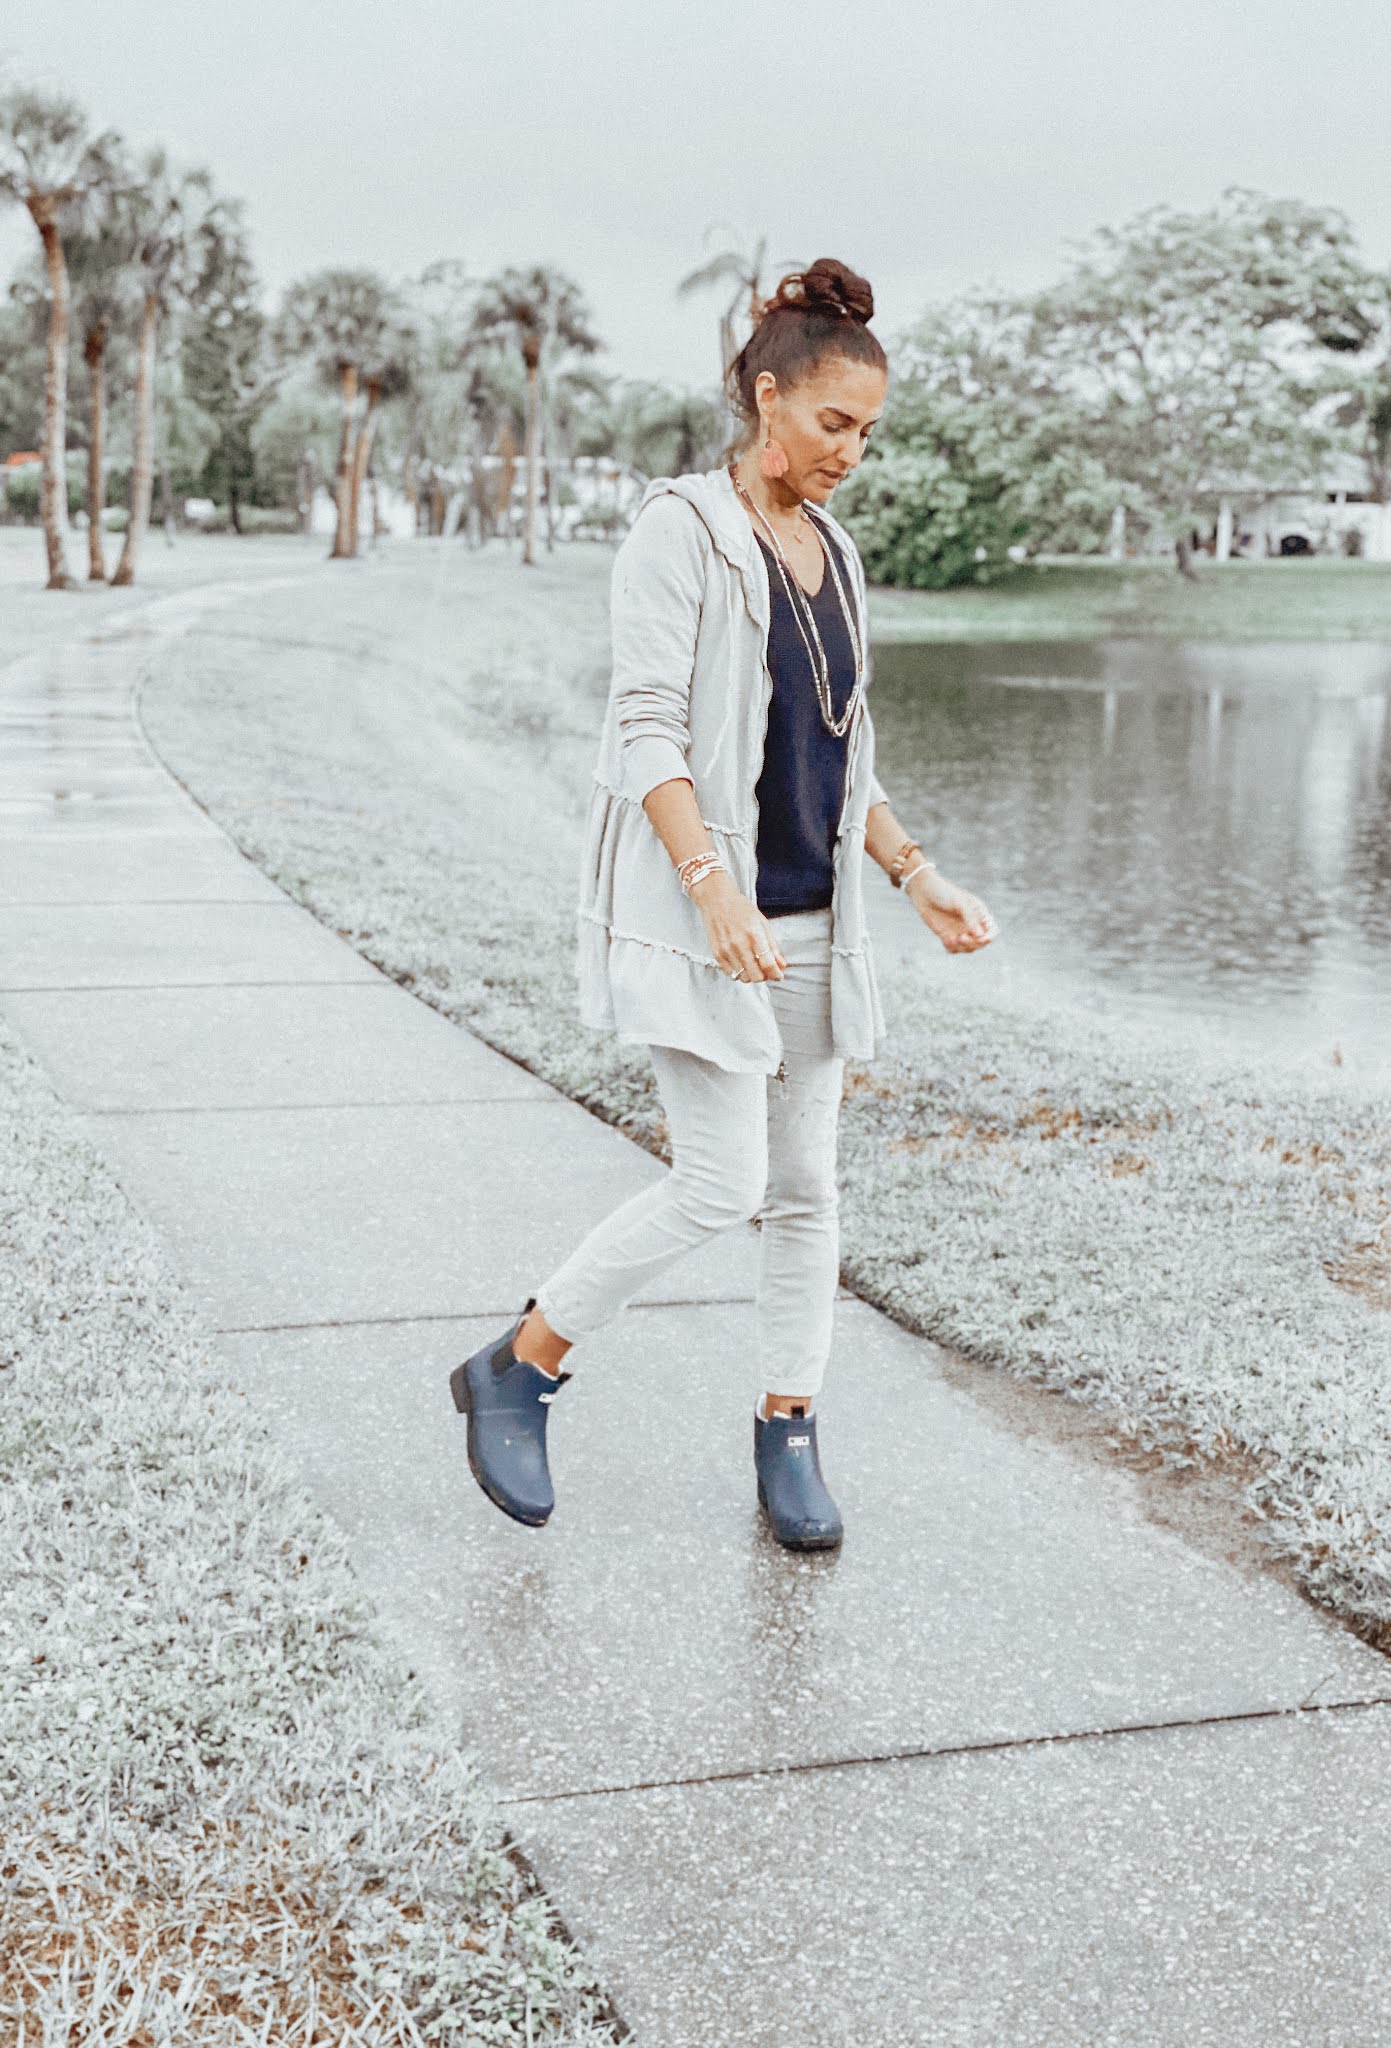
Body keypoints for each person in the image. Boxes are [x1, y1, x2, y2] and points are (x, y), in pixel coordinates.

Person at [450, 258, 996, 1551]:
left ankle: (788, 1426)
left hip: (814, 926)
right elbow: (647, 730)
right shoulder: (680, 531)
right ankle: (521, 1364)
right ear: (767, 399)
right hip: (711, 923)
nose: (851, 452)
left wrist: (917, 875)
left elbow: (843, 752)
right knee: (719, 1183)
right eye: (833, 423)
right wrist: (714, 894)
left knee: (805, 1190)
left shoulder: (838, 553)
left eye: (868, 432)